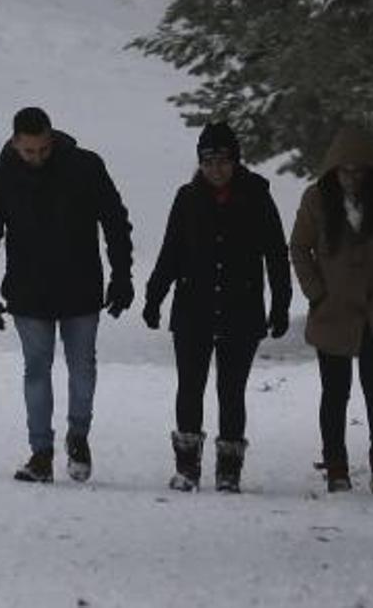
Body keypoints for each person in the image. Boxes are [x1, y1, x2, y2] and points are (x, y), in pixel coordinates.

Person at [0, 106, 134, 483]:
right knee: (36, 369)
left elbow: (114, 221)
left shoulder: (85, 167)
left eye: (43, 149)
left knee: (83, 367)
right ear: (14, 143)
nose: (37, 157)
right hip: (29, 292)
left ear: (52, 137)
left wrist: (122, 275)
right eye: (29, 152)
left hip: (81, 286)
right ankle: (40, 452)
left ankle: (79, 437)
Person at [142, 122, 292, 493]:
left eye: (222, 160)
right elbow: (171, 252)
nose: (215, 169)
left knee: (231, 390)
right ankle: (187, 467)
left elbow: (276, 253)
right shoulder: (187, 198)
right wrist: (153, 296)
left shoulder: (257, 196)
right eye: (208, 161)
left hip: (241, 308)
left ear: (235, 161)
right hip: (193, 307)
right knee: (189, 387)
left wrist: (281, 303)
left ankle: (228, 471)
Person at [289, 125, 373, 496]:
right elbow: (299, 248)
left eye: (359, 170)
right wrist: (316, 293)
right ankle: (336, 467)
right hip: (333, 312)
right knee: (335, 392)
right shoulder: (316, 199)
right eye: (344, 170)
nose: (351, 177)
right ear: (333, 170)